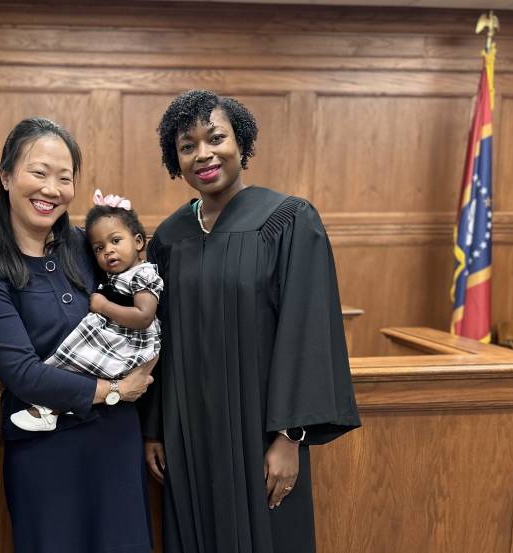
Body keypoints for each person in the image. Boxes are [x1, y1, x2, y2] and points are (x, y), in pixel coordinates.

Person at [140, 89, 361, 553]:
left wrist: (290, 439)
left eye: (215, 137)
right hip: (189, 433)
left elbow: (306, 334)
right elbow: (159, 338)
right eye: (187, 146)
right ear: (174, 159)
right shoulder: (170, 237)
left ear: (240, 141)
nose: (203, 154)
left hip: (258, 434)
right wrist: (154, 429)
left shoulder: (289, 221)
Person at [0, 117, 154, 553]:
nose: (52, 189)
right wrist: (115, 390)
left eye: (64, 178)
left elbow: (143, 294)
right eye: (39, 173)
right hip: (46, 453)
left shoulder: (88, 246)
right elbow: (24, 375)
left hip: (116, 443)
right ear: (6, 175)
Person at [10, 189, 163, 431]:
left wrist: (103, 306)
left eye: (115, 241)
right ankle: (55, 405)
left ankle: (51, 408)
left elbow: (143, 317)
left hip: (131, 342)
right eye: (98, 248)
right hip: (115, 335)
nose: (108, 251)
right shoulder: (117, 276)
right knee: (73, 359)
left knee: (78, 359)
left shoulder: (143, 274)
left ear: (138, 241)